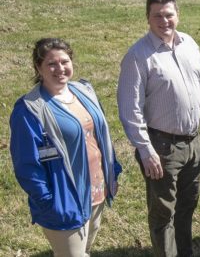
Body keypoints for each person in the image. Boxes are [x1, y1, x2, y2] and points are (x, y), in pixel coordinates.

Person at [117, 0, 200, 257]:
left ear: (178, 15)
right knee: (163, 212)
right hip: (161, 147)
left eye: (169, 14)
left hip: (193, 142)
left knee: (187, 205)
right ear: (148, 18)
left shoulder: (188, 43)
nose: (164, 21)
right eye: (157, 16)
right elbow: (130, 109)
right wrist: (145, 149)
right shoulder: (138, 56)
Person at [10, 38, 121, 257]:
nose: (59, 68)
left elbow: (101, 135)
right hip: (64, 201)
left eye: (64, 61)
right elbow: (26, 164)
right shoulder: (29, 109)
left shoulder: (83, 91)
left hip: (96, 191)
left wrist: (112, 172)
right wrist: (48, 201)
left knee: (84, 250)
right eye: (51, 64)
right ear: (38, 67)